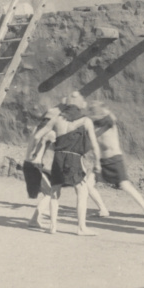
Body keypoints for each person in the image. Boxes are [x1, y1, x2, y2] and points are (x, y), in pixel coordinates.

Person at [33, 92, 104, 236]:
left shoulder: (56, 119)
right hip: (74, 158)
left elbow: (37, 136)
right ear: (80, 105)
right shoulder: (85, 121)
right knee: (82, 192)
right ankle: (81, 228)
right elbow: (95, 145)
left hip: (58, 157)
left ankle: (53, 227)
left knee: (54, 192)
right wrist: (98, 163)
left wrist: (38, 152)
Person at [88, 101, 144, 219]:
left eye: (95, 112)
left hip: (115, 159)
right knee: (88, 185)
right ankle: (103, 209)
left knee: (125, 185)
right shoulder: (93, 125)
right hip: (101, 161)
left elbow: (111, 117)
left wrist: (102, 108)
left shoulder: (110, 122)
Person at [22, 114, 55, 229]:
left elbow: (36, 138)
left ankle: (40, 215)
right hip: (34, 165)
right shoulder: (49, 133)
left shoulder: (35, 129)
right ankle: (34, 219)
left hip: (28, 164)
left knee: (48, 191)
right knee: (50, 193)